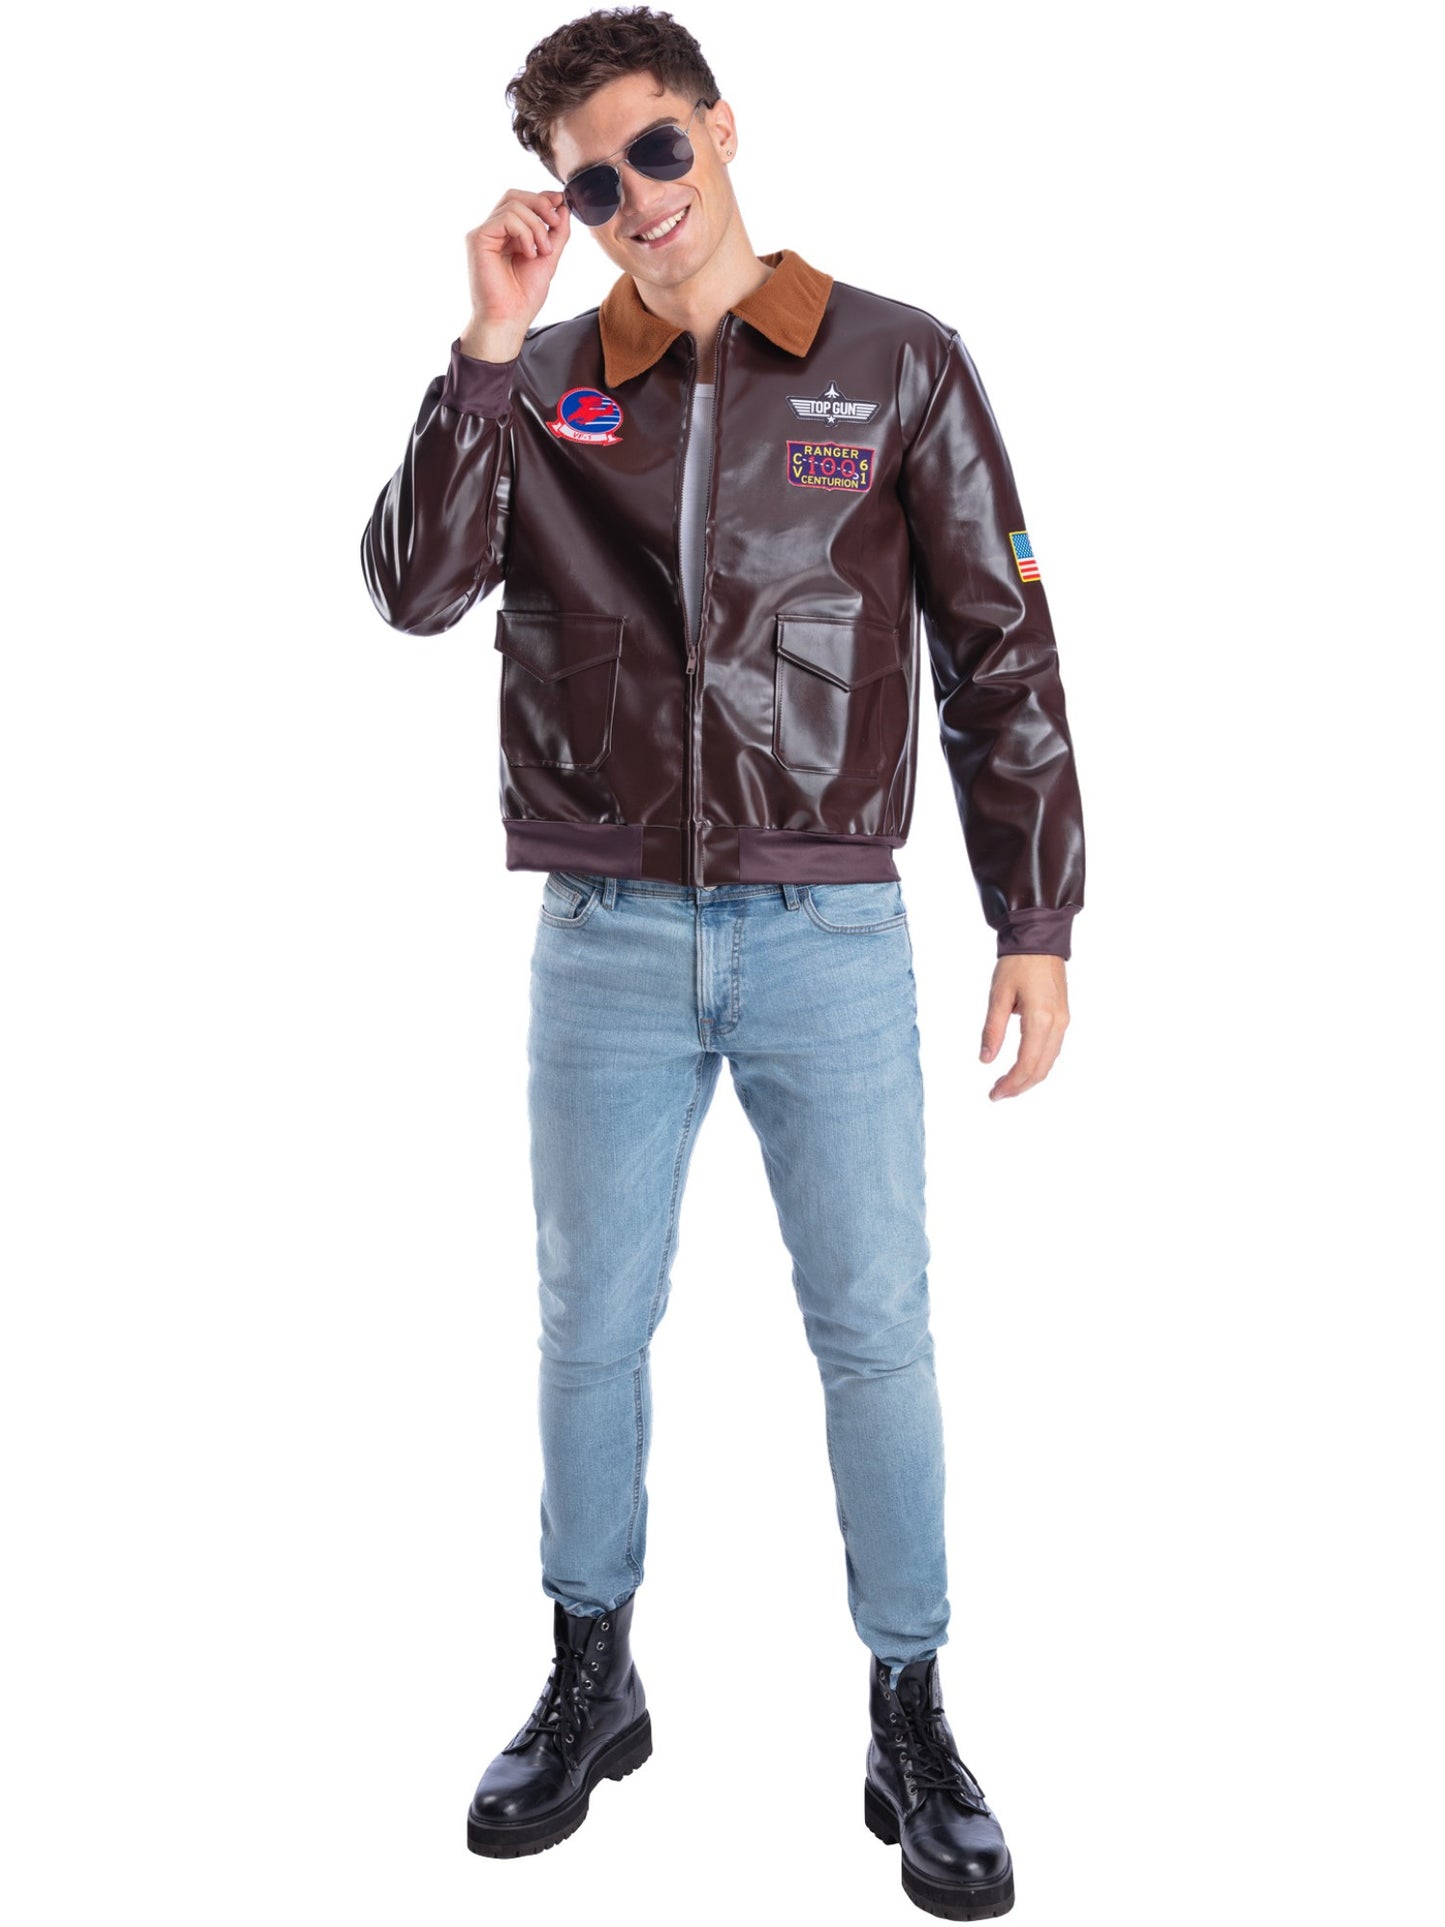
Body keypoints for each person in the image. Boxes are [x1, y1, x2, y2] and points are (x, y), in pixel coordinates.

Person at [359, 8, 1085, 1918]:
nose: (635, 200)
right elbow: (414, 590)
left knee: (876, 1331)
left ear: (722, 129)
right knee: (586, 1326)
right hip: (601, 933)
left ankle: (909, 1709)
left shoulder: (894, 359)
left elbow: (997, 649)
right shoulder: (545, 382)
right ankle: (589, 1672)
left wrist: (1033, 918)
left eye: (655, 152)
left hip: (828, 929)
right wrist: (486, 348)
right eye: (592, 182)